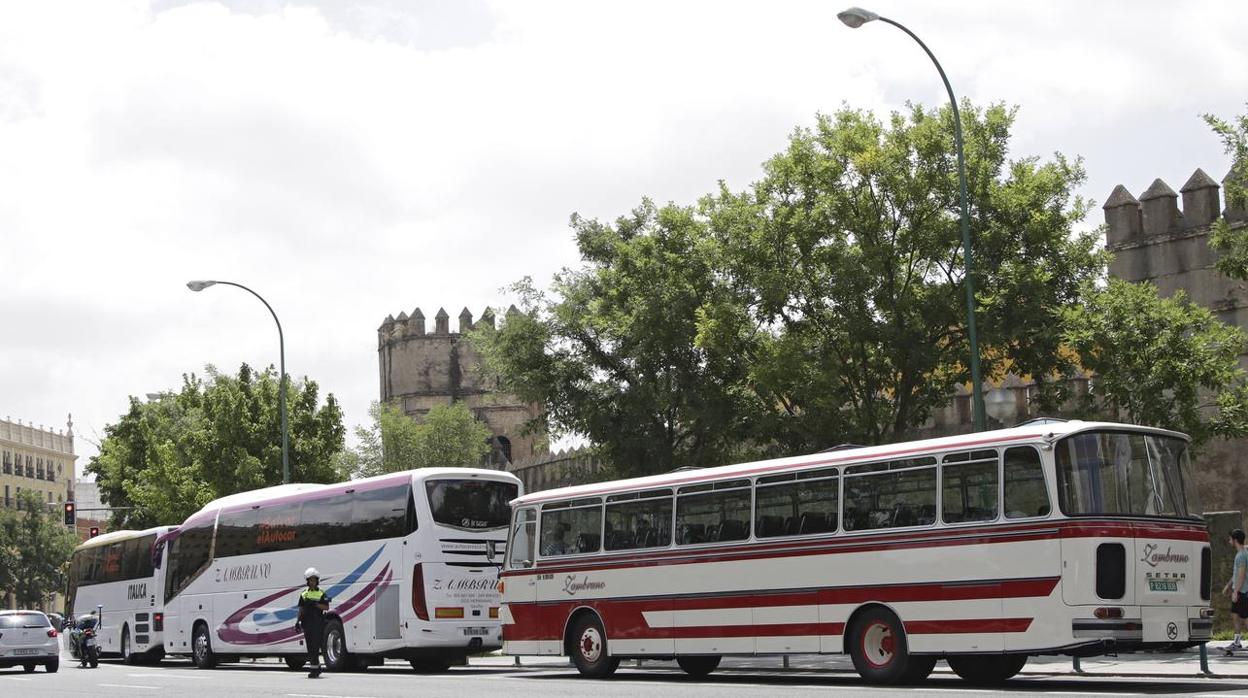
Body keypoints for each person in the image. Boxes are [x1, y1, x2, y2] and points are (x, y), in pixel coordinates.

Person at [295, 567, 332, 677]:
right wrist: (297, 622)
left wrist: (315, 604)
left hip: (318, 622)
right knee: (310, 646)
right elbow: (301, 609)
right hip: (307, 622)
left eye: (314, 580)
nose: (312, 582)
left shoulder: (321, 593)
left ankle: (314, 670)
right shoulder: (303, 594)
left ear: (317, 581)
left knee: (315, 645)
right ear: (307, 581)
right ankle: (316, 667)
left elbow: (326, 607)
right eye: (310, 580)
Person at [1225, 529, 1248, 654]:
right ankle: (1237, 642)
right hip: (1240, 590)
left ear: (1235, 540)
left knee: (1245, 618)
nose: (1229, 542)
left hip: (1242, 591)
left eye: (1230, 539)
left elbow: (1242, 575)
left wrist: (1236, 592)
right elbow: (1236, 574)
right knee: (1236, 615)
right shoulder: (1242, 553)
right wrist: (1229, 585)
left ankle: (1237, 642)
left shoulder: (1241, 555)